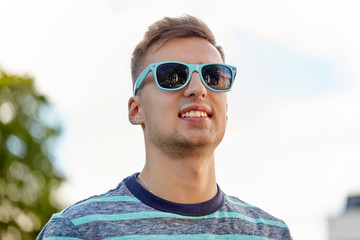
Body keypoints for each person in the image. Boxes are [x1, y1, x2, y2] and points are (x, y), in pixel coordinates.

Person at [37, 15, 292, 240]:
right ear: (137, 110)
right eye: (173, 75)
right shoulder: (76, 231)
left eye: (214, 75)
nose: (198, 89)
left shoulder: (271, 233)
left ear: (227, 108)